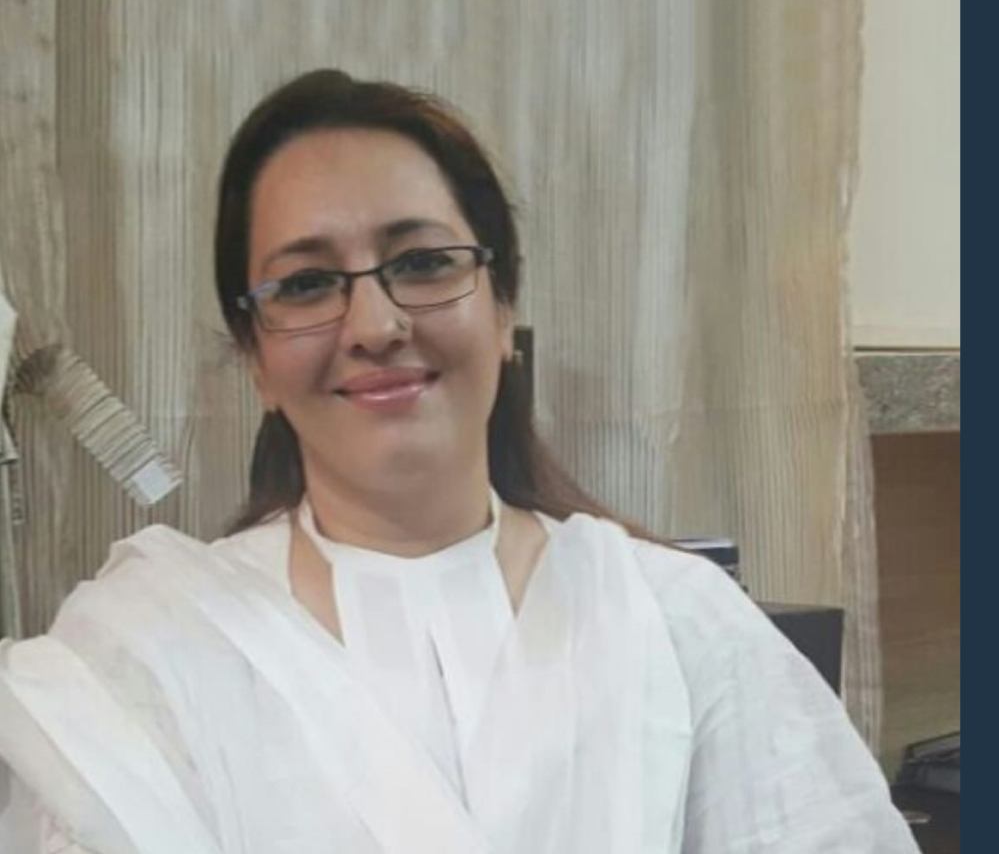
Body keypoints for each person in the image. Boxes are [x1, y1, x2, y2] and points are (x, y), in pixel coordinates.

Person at [0, 70, 918, 854]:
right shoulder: (146, 657)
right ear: (255, 358)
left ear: (503, 306)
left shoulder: (677, 626)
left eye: (423, 263)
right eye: (308, 283)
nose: (376, 325)